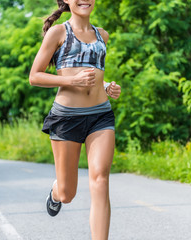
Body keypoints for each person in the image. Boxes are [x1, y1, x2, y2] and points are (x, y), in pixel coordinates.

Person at [28, 0, 121, 239]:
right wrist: (72, 81)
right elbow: (35, 76)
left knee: (100, 179)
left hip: (100, 115)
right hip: (67, 118)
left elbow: (95, 73)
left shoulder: (102, 35)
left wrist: (107, 85)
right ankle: (56, 192)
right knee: (68, 193)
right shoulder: (58, 32)